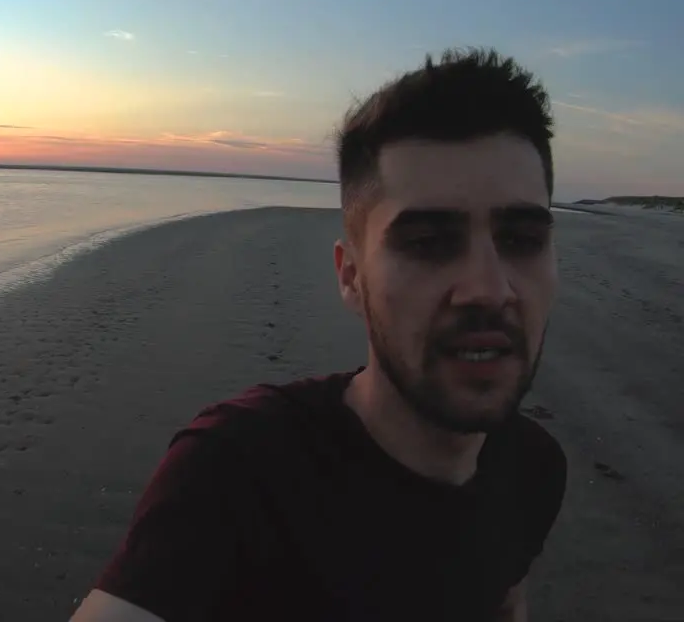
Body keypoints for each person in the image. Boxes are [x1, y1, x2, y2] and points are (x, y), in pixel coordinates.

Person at [70, 47, 568, 622]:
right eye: (430, 243)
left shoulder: (534, 468)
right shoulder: (239, 474)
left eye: (523, 239)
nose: (488, 288)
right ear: (351, 278)